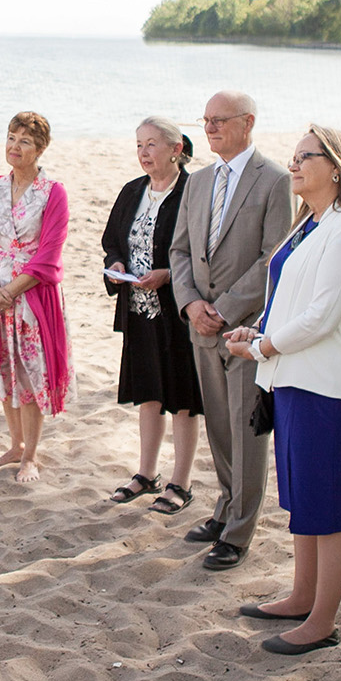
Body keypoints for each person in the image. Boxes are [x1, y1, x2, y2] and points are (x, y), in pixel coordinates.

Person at [224, 124, 341, 656]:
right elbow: (290, 301)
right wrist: (259, 331)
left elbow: (321, 317)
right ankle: (300, 597)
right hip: (293, 379)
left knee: (329, 508)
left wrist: (266, 348)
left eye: (304, 157)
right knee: (302, 501)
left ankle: (322, 622)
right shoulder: (310, 226)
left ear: (335, 167)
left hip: (327, 386)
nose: (292, 165)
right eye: (292, 157)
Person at [168, 91, 293, 571]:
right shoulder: (197, 181)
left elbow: (273, 257)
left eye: (220, 120)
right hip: (200, 326)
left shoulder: (275, 180)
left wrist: (223, 308)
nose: (210, 128)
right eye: (205, 120)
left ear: (248, 123)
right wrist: (191, 304)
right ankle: (224, 509)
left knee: (246, 432)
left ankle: (240, 530)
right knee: (219, 427)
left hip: (246, 330)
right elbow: (179, 252)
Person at [101, 117, 202, 515]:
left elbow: (203, 252)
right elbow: (111, 240)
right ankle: (146, 473)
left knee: (183, 400)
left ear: (176, 149)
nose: (144, 153)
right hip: (139, 310)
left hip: (177, 312)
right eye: (139, 145)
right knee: (148, 393)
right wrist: (118, 264)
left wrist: (169, 275)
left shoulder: (194, 191)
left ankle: (181, 482)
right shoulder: (132, 191)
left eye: (152, 145)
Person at [0, 111, 73, 484]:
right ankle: (13, 445)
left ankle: (30, 454)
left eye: (25, 141)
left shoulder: (53, 193)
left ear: (41, 149)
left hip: (31, 300)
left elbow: (50, 252)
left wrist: (9, 292)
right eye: (11, 138)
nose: (14, 146)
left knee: (31, 375)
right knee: (3, 371)